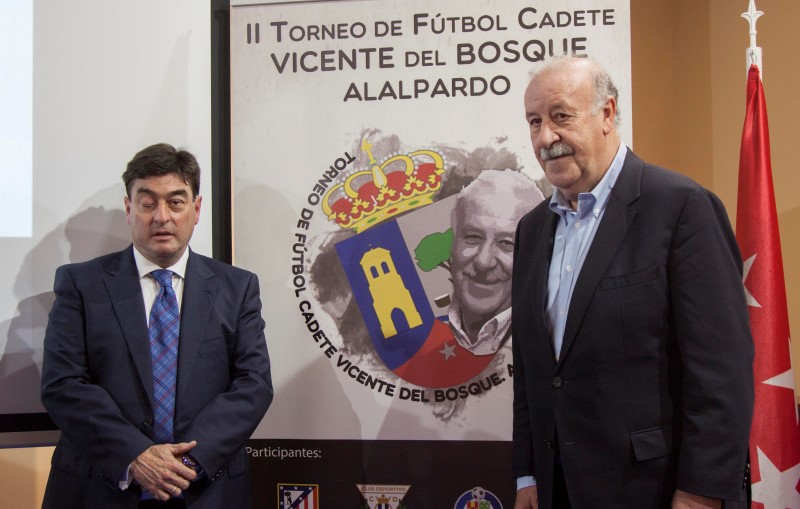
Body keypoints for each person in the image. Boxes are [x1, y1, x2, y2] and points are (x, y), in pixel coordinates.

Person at [511, 56, 754, 509]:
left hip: (655, 491)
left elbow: (722, 371)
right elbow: (531, 371)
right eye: (534, 122)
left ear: (606, 114)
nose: (546, 138)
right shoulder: (530, 230)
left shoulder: (682, 209)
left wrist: (702, 492)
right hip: (554, 489)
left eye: (561, 116)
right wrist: (528, 473)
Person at [40, 143, 273, 509]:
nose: (161, 217)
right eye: (147, 203)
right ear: (129, 209)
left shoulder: (237, 288)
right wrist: (136, 455)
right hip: (101, 489)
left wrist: (187, 463)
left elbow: (253, 385)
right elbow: (62, 383)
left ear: (196, 210)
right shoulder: (80, 284)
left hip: (204, 491)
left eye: (176, 203)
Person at [448, 169, 543, 355]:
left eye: (507, 243)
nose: (484, 262)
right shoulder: (418, 335)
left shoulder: (549, 342)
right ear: (453, 242)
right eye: (473, 237)